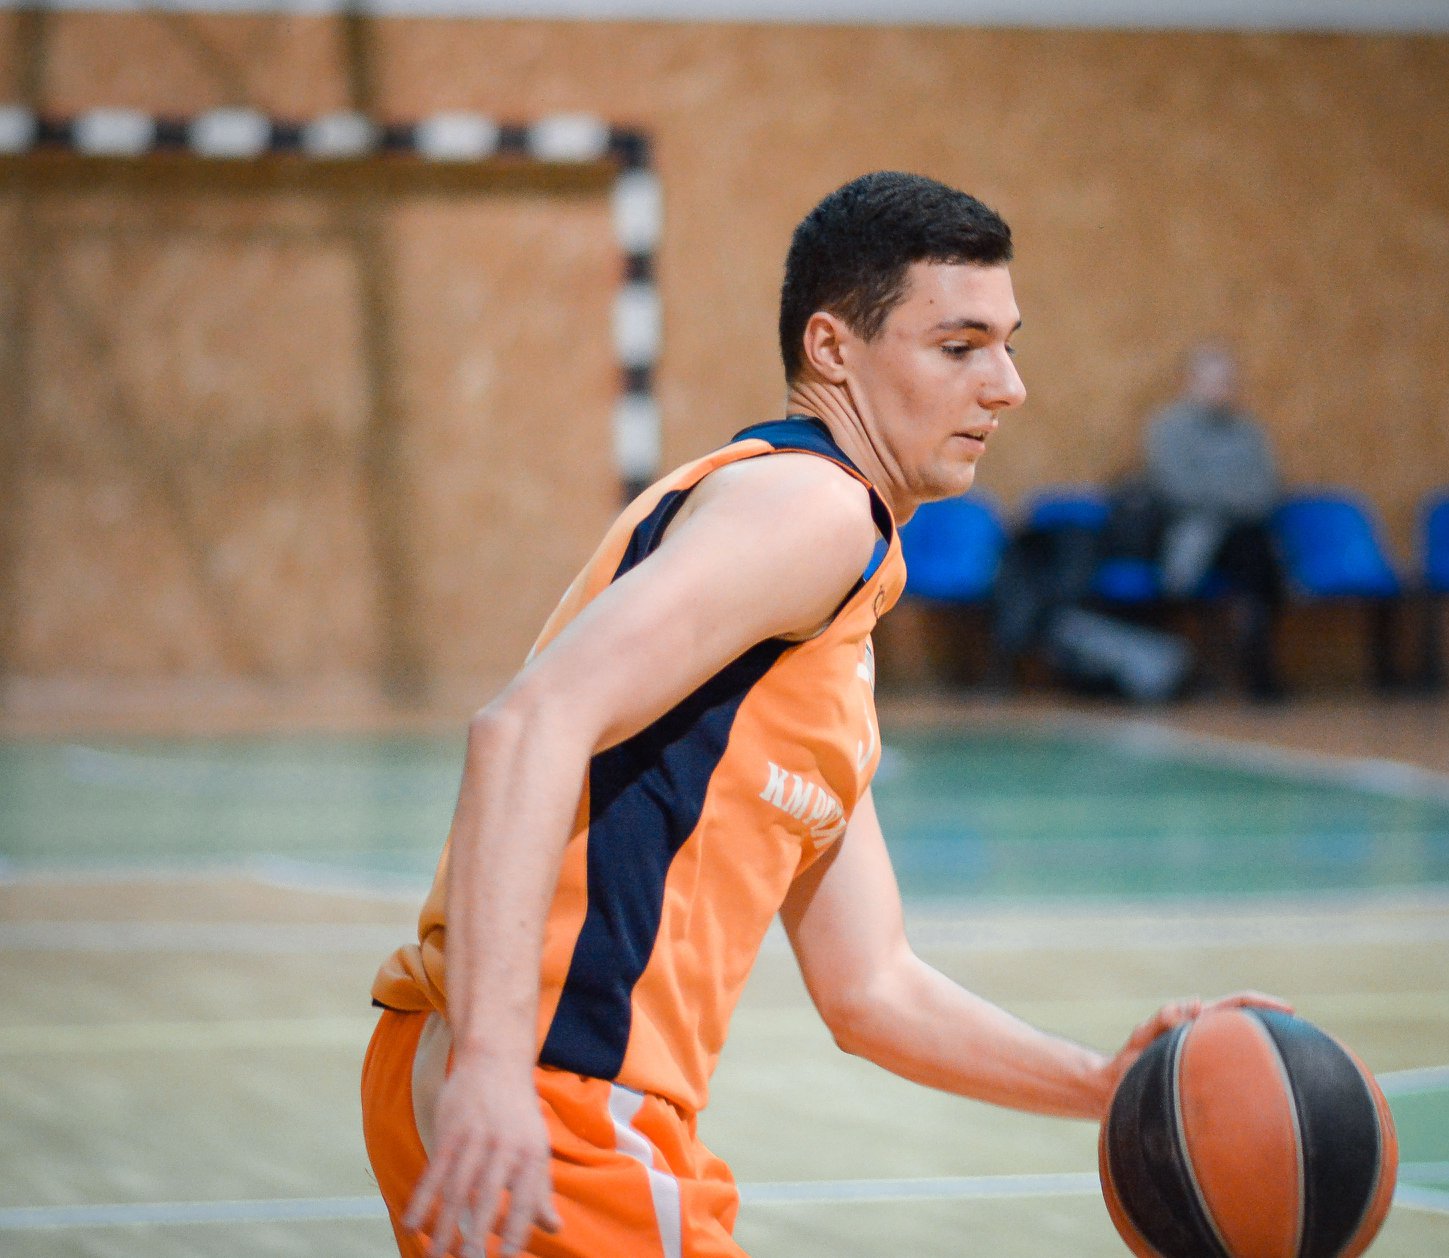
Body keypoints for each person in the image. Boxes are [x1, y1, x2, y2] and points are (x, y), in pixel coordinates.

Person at [359, 171, 1287, 1258]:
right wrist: (493, 1065)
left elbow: (870, 987)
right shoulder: (815, 509)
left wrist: (1106, 1085)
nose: (1006, 386)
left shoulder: (814, 607)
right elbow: (523, 727)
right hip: (556, 1091)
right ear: (833, 349)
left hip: (501, 1074)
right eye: (959, 347)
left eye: (1007, 345)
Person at [1136, 344, 1288, 698]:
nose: (1222, 388)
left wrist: (1221, 498)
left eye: (1228, 380)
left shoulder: (1249, 431)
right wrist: (1232, 497)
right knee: (1241, 545)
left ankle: (1256, 656)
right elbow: (1176, 489)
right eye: (1213, 379)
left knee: (1256, 549)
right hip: (1191, 534)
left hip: (1245, 534)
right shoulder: (1167, 428)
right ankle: (1204, 666)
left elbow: (1267, 490)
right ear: (1190, 381)